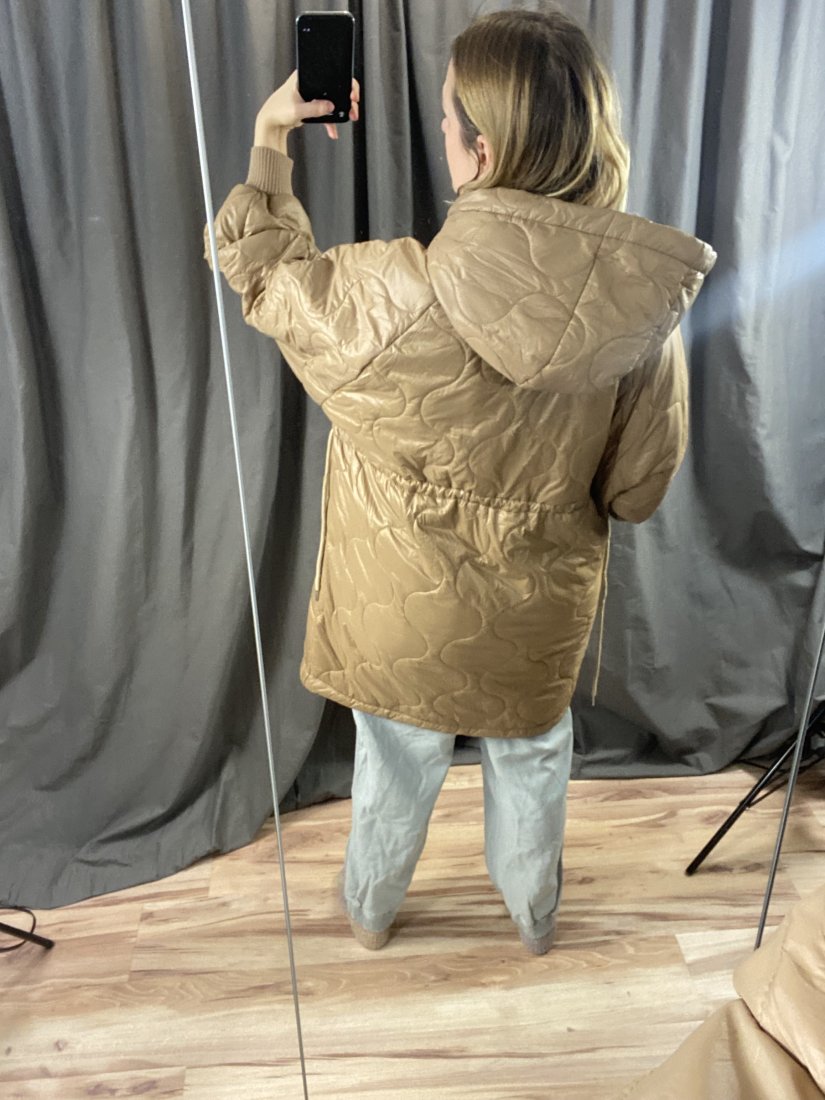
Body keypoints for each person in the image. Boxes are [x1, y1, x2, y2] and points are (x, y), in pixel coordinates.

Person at [206, 9, 716, 956]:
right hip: (536, 614)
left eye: (446, 121)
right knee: (532, 757)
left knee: (395, 761)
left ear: (480, 153)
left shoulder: (392, 293)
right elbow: (637, 491)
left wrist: (272, 135)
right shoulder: (638, 321)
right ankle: (533, 919)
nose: (440, 133)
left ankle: (370, 916)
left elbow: (264, 274)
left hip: (396, 607)